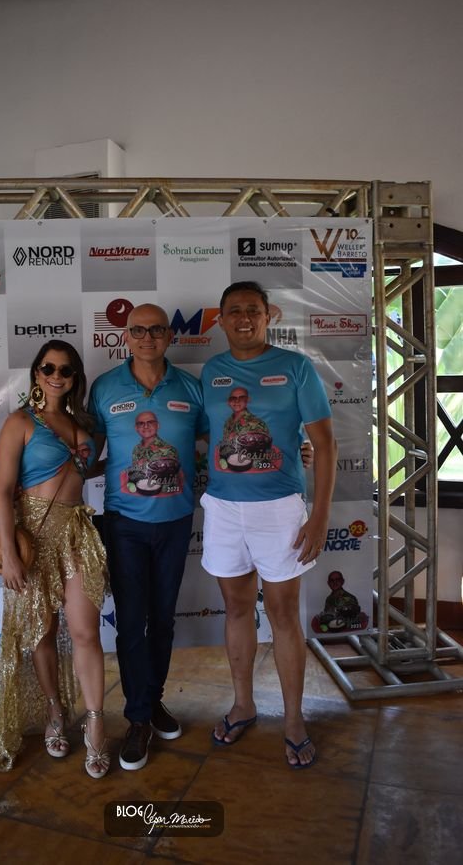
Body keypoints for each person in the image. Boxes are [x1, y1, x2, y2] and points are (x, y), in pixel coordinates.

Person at [0, 340, 110, 781]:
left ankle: (96, 722)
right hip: (33, 537)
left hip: (77, 533)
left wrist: (114, 465)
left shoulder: (85, 424)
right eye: (49, 368)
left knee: (86, 631)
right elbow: (3, 491)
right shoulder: (19, 422)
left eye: (66, 370)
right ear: (37, 373)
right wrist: (10, 553)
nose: (57, 376)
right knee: (42, 630)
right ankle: (55, 711)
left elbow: (81, 472)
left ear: (75, 378)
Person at [200, 281, 337, 769]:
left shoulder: (295, 367)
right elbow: (208, 437)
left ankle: (294, 719)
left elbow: (326, 444)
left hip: (279, 509)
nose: (244, 318)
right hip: (223, 508)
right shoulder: (211, 372)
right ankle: (243, 704)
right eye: (234, 311)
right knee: (237, 608)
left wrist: (319, 516)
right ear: (220, 319)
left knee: (282, 614)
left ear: (267, 316)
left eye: (253, 310)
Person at [88, 304, 207, 771]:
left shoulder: (191, 388)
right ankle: (137, 718)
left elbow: (217, 442)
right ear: (126, 336)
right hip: (124, 525)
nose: (147, 338)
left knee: (162, 621)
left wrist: (290, 449)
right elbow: (88, 453)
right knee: (131, 622)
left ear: (169, 336)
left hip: (176, 522)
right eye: (138, 330)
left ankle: (153, 701)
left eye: (156, 329)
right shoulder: (104, 387)